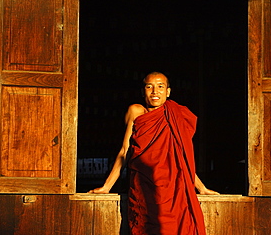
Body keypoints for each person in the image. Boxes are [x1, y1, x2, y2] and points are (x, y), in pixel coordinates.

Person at [88, 72, 219, 234]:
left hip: (173, 189)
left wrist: (202, 188)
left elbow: (182, 160)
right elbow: (125, 150)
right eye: (149, 87)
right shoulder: (136, 111)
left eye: (160, 87)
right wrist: (107, 186)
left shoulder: (175, 115)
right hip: (143, 185)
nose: (155, 91)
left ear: (168, 92)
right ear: (143, 92)